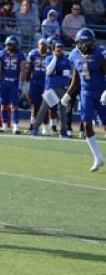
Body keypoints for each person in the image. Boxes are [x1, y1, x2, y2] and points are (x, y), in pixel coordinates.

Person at [63, 29, 106, 171]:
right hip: (86, 93)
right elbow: (76, 79)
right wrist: (68, 94)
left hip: (101, 92)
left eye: (87, 41)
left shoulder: (100, 54)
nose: (85, 45)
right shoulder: (75, 55)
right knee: (87, 124)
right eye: (82, 42)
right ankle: (97, 157)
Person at [30, 38, 70, 138]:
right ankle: (35, 129)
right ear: (53, 48)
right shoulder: (49, 58)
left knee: (63, 111)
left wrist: (56, 73)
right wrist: (55, 58)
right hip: (51, 87)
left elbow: (67, 73)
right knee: (44, 109)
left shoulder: (66, 60)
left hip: (62, 88)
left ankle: (63, 131)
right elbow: (48, 71)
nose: (59, 50)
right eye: (57, 48)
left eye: (61, 48)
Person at [0, 35, 27, 134]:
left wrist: (22, 85)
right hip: (5, 83)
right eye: (9, 45)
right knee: (4, 105)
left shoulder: (20, 55)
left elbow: (22, 71)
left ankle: (15, 126)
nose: (10, 47)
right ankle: (5, 126)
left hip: (14, 83)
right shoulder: (1, 54)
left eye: (12, 45)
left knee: (14, 105)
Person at [26, 38, 49, 134]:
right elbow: (30, 69)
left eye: (44, 44)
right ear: (38, 45)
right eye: (40, 44)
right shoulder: (33, 54)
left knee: (45, 105)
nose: (42, 46)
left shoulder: (50, 55)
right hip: (34, 82)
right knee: (34, 104)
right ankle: (33, 124)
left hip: (46, 82)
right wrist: (26, 83)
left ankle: (45, 127)